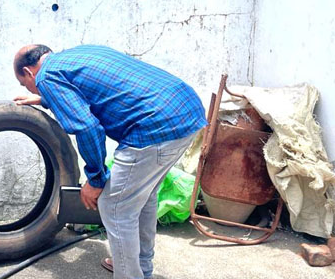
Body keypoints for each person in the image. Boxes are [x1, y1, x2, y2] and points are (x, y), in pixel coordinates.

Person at [13, 44, 207, 279]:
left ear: (29, 72)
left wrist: (95, 178)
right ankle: (139, 268)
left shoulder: (45, 77)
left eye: (25, 83)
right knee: (142, 199)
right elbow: (91, 93)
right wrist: (46, 100)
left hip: (154, 127)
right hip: (185, 112)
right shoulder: (74, 56)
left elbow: (87, 127)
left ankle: (129, 274)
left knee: (114, 206)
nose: (31, 88)